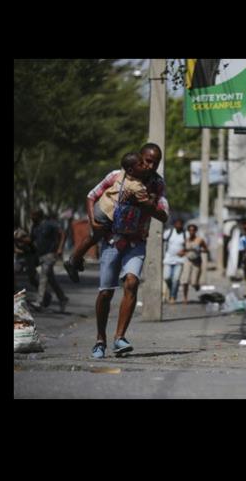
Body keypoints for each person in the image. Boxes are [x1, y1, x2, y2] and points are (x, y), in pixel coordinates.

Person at [71, 143, 169, 359]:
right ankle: (100, 339)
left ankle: (119, 338)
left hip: (136, 242)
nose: (151, 166)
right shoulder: (117, 176)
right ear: (138, 160)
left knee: (132, 283)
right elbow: (91, 195)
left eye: (155, 162)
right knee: (106, 292)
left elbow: (164, 215)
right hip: (112, 240)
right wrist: (92, 220)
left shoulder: (157, 185)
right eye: (147, 161)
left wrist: (145, 205)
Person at [63, 151, 157, 281]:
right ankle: (74, 261)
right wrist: (153, 196)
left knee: (94, 237)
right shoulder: (136, 186)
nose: (147, 166)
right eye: (143, 163)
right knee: (96, 236)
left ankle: (75, 260)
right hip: (106, 215)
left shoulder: (122, 175)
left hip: (100, 207)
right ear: (131, 169)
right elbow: (149, 205)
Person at [29, 209, 69, 312]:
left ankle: (39, 302)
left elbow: (62, 233)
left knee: (43, 276)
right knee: (50, 279)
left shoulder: (50, 224)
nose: (31, 218)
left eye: (33, 215)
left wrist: (60, 248)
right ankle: (62, 298)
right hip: (39, 256)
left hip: (50, 254)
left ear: (39, 216)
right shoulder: (35, 227)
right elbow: (32, 240)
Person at [181, 224, 210, 303]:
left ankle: (196, 285)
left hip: (196, 261)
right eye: (190, 230)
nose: (191, 232)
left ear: (195, 231)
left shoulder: (200, 240)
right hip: (188, 260)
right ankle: (185, 298)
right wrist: (182, 253)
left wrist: (201, 251)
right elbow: (184, 250)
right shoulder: (186, 240)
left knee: (193, 282)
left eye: (193, 230)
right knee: (185, 279)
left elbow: (206, 249)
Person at [163, 219, 186, 303]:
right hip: (168, 259)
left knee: (176, 279)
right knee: (167, 277)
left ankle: (172, 296)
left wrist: (185, 251)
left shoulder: (185, 234)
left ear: (182, 225)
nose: (178, 226)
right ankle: (171, 289)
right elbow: (161, 241)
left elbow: (189, 245)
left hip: (179, 260)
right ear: (174, 225)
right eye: (177, 224)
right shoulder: (169, 232)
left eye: (180, 224)